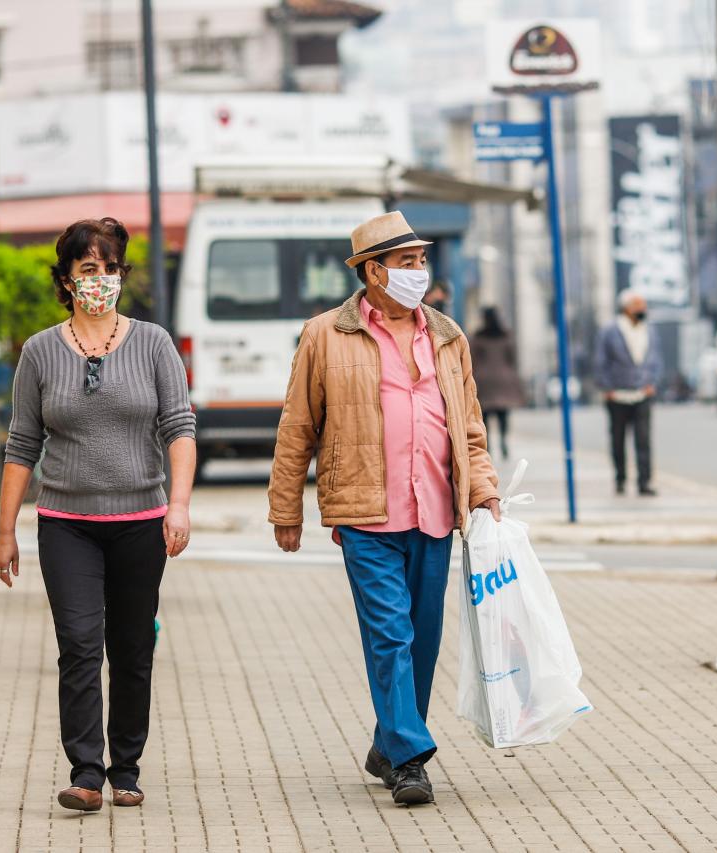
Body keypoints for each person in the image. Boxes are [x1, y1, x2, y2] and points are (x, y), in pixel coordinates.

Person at [268, 211, 501, 807]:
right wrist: (285, 509)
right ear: (373, 272)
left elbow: (468, 425)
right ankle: (410, 762)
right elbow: (298, 427)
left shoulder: (447, 335)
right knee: (390, 636)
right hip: (365, 511)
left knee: (422, 640)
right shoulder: (325, 334)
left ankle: (388, 743)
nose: (418, 272)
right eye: (406, 263)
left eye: (421, 261)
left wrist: (485, 491)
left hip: (435, 509)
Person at [0, 217, 197, 813]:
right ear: (66, 279)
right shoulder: (39, 352)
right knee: (79, 643)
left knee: (132, 647)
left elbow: (180, 428)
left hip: (141, 521)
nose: (100, 279)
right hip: (65, 523)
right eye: (88, 269)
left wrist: (178, 504)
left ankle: (125, 768)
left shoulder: (154, 344)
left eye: (110, 269)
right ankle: (86, 771)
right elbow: (21, 444)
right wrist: (5, 531)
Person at [594, 289, 663, 497]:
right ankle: (620, 479)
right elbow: (600, 362)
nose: (643, 309)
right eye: (637, 305)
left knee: (643, 439)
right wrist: (607, 388)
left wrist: (653, 382)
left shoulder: (649, 331)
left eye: (643, 305)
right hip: (617, 395)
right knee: (618, 439)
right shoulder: (609, 331)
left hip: (643, 393)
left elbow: (656, 360)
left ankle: (644, 481)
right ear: (626, 308)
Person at [471, 306, 524, 461]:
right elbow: (512, 357)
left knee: (484, 414)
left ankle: (489, 446)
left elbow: (472, 358)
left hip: (484, 380)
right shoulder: (506, 335)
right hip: (503, 379)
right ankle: (503, 441)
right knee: (503, 414)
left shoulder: (478, 337)